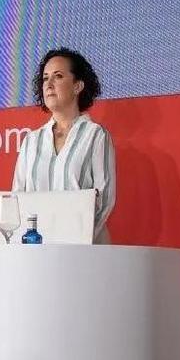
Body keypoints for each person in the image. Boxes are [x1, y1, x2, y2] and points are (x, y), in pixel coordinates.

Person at [11, 47, 116, 242]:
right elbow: (17, 201)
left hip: (84, 249)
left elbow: (104, 200)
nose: (49, 84)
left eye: (58, 76)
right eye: (45, 78)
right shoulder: (31, 141)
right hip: (38, 250)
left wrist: (76, 238)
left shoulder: (95, 135)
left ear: (77, 86)